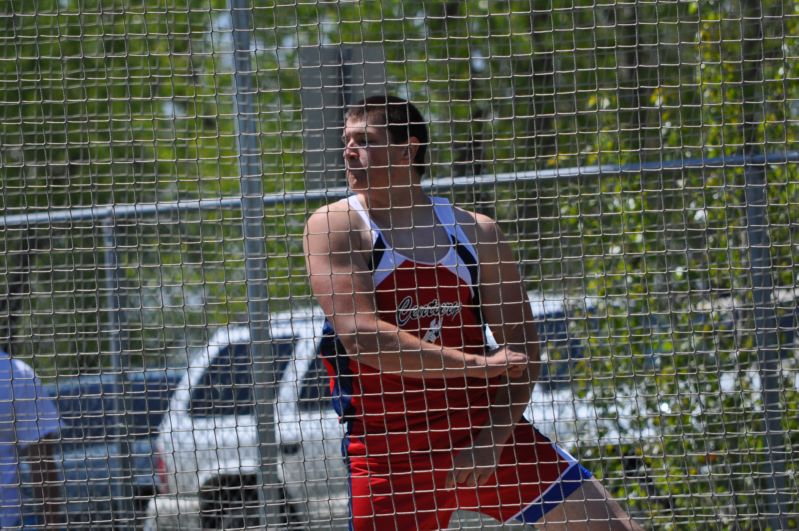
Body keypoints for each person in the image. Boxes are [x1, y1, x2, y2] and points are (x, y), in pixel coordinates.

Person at [304, 95, 641, 529]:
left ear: (408, 150)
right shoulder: (336, 225)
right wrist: (478, 365)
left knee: (612, 525)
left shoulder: (474, 231)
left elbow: (523, 348)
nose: (349, 151)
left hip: (480, 431)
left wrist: (495, 436)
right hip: (390, 453)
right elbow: (364, 338)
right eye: (345, 141)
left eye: (364, 140)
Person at [0, 348, 63, 528]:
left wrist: (51, 526)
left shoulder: (16, 375)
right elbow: (43, 464)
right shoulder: (17, 373)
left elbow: (42, 463)